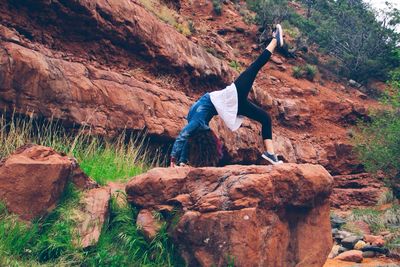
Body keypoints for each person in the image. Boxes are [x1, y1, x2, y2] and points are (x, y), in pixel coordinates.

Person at [170, 24, 285, 167]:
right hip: (231, 97)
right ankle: (274, 40)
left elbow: (186, 137)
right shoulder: (197, 122)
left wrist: (180, 161)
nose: (209, 131)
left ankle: (270, 155)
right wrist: (173, 160)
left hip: (232, 103)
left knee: (265, 118)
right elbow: (183, 136)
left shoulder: (195, 123)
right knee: (254, 67)